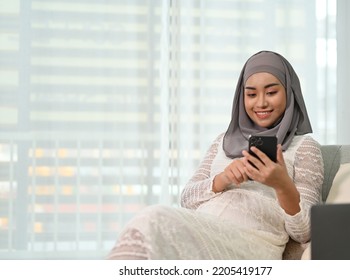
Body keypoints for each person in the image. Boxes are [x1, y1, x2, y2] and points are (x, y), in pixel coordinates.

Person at [107, 50, 324, 260]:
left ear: (289, 91)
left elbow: (304, 232)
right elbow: (187, 199)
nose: (261, 103)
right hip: (203, 228)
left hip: (251, 244)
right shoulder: (223, 141)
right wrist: (224, 179)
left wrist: (281, 184)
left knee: (152, 218)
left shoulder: (304, 147)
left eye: (271, 92)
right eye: (251, 94)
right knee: (148, 227)